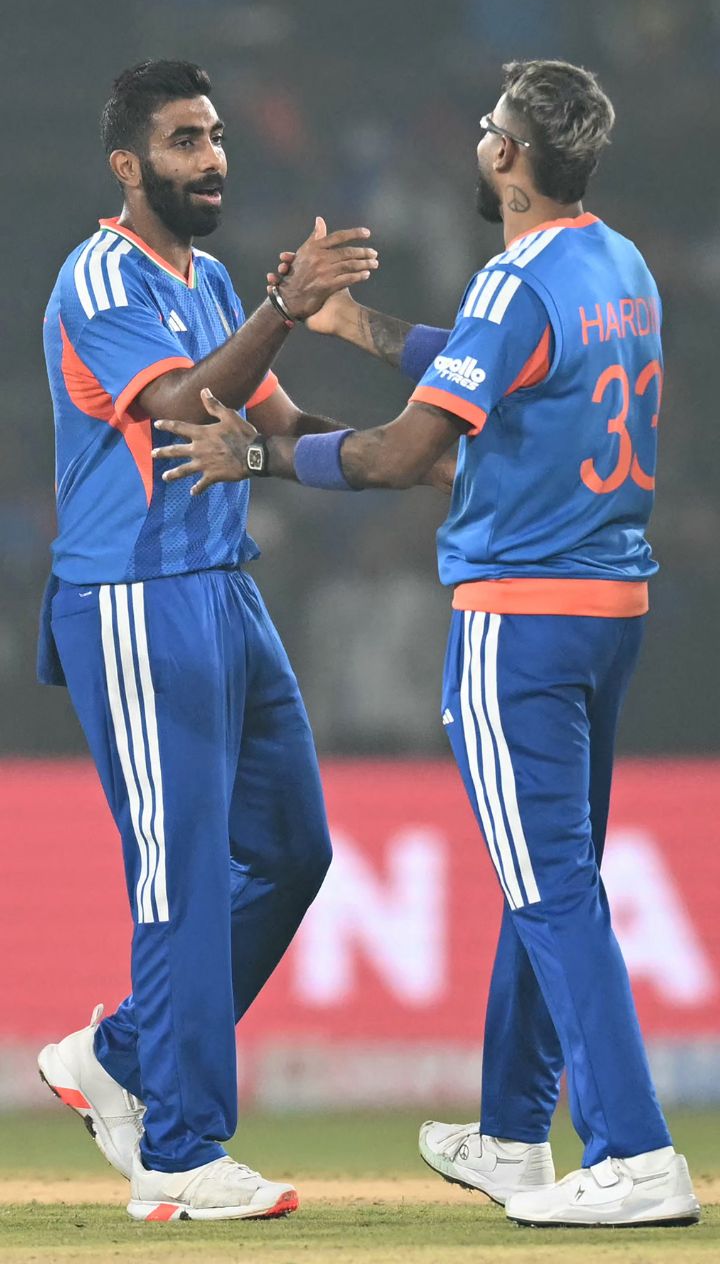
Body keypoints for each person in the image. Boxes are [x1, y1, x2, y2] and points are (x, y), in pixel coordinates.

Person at [153, 59, 701, 1229]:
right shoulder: (619, 265)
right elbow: (499, 357)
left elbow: (408, 453)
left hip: (520, 618)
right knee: (543, 876)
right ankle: (513, 1131)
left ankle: (636, 1152)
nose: (480, 141)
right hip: (608, 611)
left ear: (508, 155)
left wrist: (261, 455)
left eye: (490, 127)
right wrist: (354, 324)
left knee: (550, 889)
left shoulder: (516, 279)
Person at [37, 59, 383, 1223]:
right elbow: (183, 404)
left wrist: (406, 453)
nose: (214, 157)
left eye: (218, 134)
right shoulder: (98, 277)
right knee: (180, 874)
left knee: (294, 850)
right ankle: (178, 1152)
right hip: (135, 598)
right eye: (186, 139)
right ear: (128, 164)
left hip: (225, 589)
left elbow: (271, 427)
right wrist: (281, 313)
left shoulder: (214, 278)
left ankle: (119, 1055)